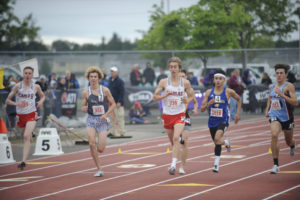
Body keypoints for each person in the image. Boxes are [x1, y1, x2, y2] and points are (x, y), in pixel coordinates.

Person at [153, 57, 193, 175]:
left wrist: (187, 100)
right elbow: (154, 97)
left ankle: (173, 166)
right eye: (171, 67)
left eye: (175, 67)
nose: (173, 69)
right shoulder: (164, 82)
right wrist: (164, 96)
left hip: (180, 114)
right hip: (167, 115)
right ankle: (176, 157)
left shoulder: (185, 82)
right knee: (173, 142)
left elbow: (191, 96)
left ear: (179, 68)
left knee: (176, 138)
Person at [200, 69, 241, 173]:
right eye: (216, 78)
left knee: (217, 138)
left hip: (223, 120)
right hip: (212, 121)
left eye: (220, 79)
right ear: (214, 80)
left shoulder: (228, 91)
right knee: (216, 142)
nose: (218, 81)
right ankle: (226, 142)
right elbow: (202, 109)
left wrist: (237, 114)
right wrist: (208, 104)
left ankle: (215, 165)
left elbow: (239, 99)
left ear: (224, 80)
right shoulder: (209, 92)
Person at [5, 66, 45, 170]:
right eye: (25, 73)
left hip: (31, 114)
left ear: (32, 75)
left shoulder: (36, 87)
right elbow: (8, 101)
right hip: (21, 116)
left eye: (29, 73)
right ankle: (31, 133)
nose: (27, 75)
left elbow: (43, 96)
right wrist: (17, 103)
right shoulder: (18, 86)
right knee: (28, 137)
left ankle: (23, 161)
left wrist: (40, 101)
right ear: (23, 74)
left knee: (26, 137)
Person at [81, 67, 116, 177]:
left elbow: (113, 104)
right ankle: (99, 169)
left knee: (100, 149)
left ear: (99, 78)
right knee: (91, 144)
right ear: (88, 78)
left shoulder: (105, 90)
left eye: (95, 77)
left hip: (103, 120)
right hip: (91, 119)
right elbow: (83, 105)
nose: (93, 79)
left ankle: (97, 153)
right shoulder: (86, 92)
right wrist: (83, 108)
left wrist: (105, 114)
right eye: (91, 77)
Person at [265, 64, 298, 174]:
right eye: (277, 73)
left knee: (288, 141)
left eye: (281, 73)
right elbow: (270, 98)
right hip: (275, 115)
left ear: (286, 74)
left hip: (287, 118)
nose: (279, 75)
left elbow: (295, 103)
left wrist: (282, 95)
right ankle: (275, 165)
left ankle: (292, 145)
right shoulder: (272, 86)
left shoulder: (289, 86)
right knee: (274, 135)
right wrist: (267, 110)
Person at [177, 69, 198, 174]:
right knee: (176, 141)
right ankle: (173, 162)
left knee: (185, 141)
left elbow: (195, 102)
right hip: (175, 117)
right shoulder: (173, 89)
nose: (182, 79)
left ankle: (181, 166)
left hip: (185, 116)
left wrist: (195, 109)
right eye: (180, 77)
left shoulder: (190, 90)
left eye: (184, 76)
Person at [108, 66, 125, 137]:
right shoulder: (109, 80)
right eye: (111, 71)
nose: (112, 73)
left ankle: (122, 132)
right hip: (111, 103)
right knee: (111, 118)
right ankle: (112, 132)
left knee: (120, 117)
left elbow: (122, 92)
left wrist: (119, 101)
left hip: (118, 103)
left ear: (116, 72)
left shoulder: (120, 81)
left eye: (113, 71)